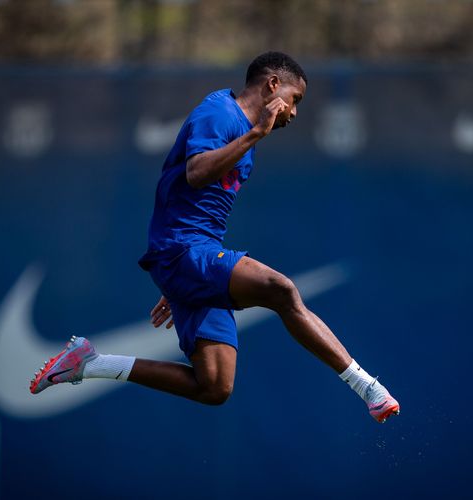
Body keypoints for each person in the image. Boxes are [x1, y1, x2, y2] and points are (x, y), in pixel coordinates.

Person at [30, 52, 400, 423]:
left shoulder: (244, 132)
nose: (294, 111)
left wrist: (187, 282)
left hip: (191, 260)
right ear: (273, 85)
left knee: (214, 387)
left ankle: (92, 364)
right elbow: (195, 173)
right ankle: (367, 386)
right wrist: (255, 134)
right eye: (295, 99)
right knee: (282, 290)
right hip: (181, 250)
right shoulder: (220, 113)